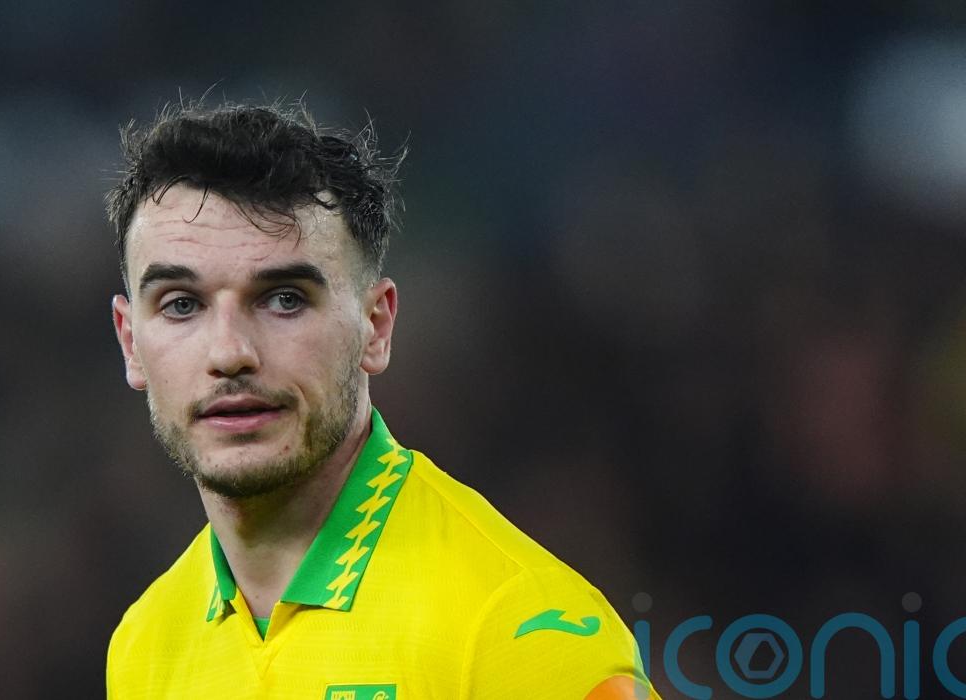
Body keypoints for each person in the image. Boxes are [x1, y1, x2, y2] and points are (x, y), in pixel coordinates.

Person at [105, 101, 659, 699]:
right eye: (181, 304)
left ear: (376, 326)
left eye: (285, 299)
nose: (230, 352)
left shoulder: (520, 627)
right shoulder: (144, 644)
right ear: (131, 342)